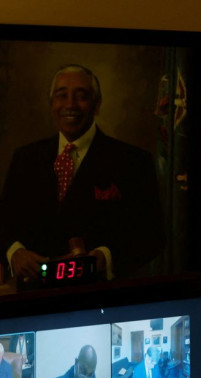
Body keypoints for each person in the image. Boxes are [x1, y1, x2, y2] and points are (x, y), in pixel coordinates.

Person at [0, 64, 164, 281]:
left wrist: (106, 257)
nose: (70, 105)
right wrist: (14, 253)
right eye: (62, 96)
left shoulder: (133, 161)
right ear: (52, 104)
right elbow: (4, 222)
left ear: (97, 105)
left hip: (100, 296)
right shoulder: (25, 158)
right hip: (32, 296)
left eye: (82, 96)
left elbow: (152, 236)